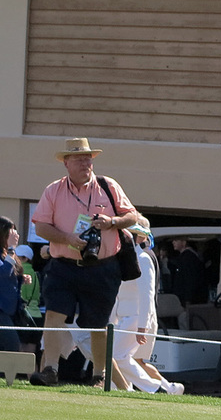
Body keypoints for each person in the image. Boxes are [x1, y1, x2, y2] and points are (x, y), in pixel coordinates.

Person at [28, 137, 147, 387]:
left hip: (103, 267)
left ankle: (98, 375)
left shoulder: (108, 186)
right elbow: (41, 227)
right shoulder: (54, 190)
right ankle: (50, 369)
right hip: (64, 266)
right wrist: (68, 238)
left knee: (99, 324)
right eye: (79, 158)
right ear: (66, 163)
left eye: (88, 158)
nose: (86, 162)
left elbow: (132, 215)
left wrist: (111, 222)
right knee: (54, 314)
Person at [109, 222, 183, 395]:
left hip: (135, 318)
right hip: (122, 319)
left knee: (117, 356)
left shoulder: (142, 259)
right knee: (118, 357)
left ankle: (155, 388)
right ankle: (154, 388)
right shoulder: (123, 260)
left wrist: (143, 325)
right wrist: (112, 321)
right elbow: (118, 296)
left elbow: (147, 294)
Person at [0, 217, 27, 354]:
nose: (14, 237)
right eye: (9, 234)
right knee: (12, 344)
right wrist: (11, 248)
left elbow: (9, 274)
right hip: (1, 310)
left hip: (11, 309)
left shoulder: (7, 254)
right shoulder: (9, 252)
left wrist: (21, 278)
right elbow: (2, 272)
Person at [164, 238, 210, 307]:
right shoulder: (185, 257)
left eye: (176, 240)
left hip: (188, 300)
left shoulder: (188, 258)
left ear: (184, 242)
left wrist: (188, 300)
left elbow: (189, 279)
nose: (173, 242)